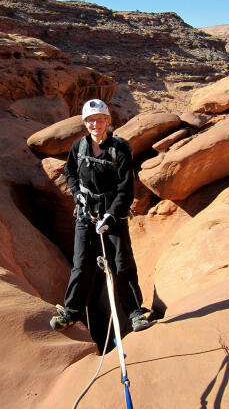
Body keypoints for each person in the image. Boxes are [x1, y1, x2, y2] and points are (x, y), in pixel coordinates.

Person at [50, 99, 150, 332]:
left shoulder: (121, 148)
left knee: (121, 263)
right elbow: (71, 173)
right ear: (85, 124)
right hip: (86, 213)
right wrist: (77, 194)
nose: (95, 124)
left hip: (112, 212)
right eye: (90, 120)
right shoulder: (79, 147)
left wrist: (111, 216)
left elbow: (126, 189)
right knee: (82, 264)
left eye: (99, 119)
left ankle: (136, 313)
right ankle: (72, 312)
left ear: (107, 121)